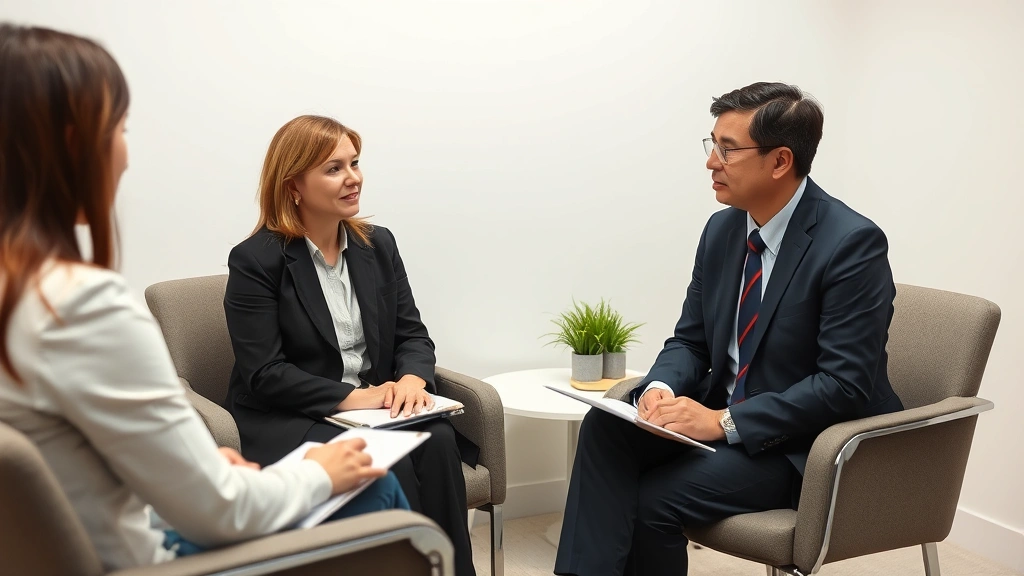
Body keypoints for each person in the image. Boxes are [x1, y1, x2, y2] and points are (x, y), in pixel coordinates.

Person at [0, 24, 409, 571]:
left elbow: (67, 454)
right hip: (150, 558)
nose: (125, 154)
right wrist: (319, 472)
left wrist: (191, 468)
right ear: (75, 145)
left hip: (75, 542)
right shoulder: (80, 307)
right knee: (376, 492)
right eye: (120, 127)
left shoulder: (21, 296)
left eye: (354, 163)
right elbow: (222, 509)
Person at [554, 82, 905, 576]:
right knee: (607, 427)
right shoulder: (723, 230)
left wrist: (721, 423)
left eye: (728, 149)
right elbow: (691, 341)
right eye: (712, 144)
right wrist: (660, 388)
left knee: (654, 500)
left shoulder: (851, 244)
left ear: (780, 161)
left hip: (804, 446)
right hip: (725, 413)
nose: (711, 161)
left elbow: (842, 386)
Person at [224, 114, 476, 575]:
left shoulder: (378, 245)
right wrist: (362, 397)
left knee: (439, 441)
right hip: (291, 415)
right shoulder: (256, 260)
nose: (353, 178)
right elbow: (264, 374)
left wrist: (411, 379)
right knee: (381, 461)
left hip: (373, 408)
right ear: (293, 185)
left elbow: (412, 333)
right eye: (333, 168)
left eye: (354, 163)